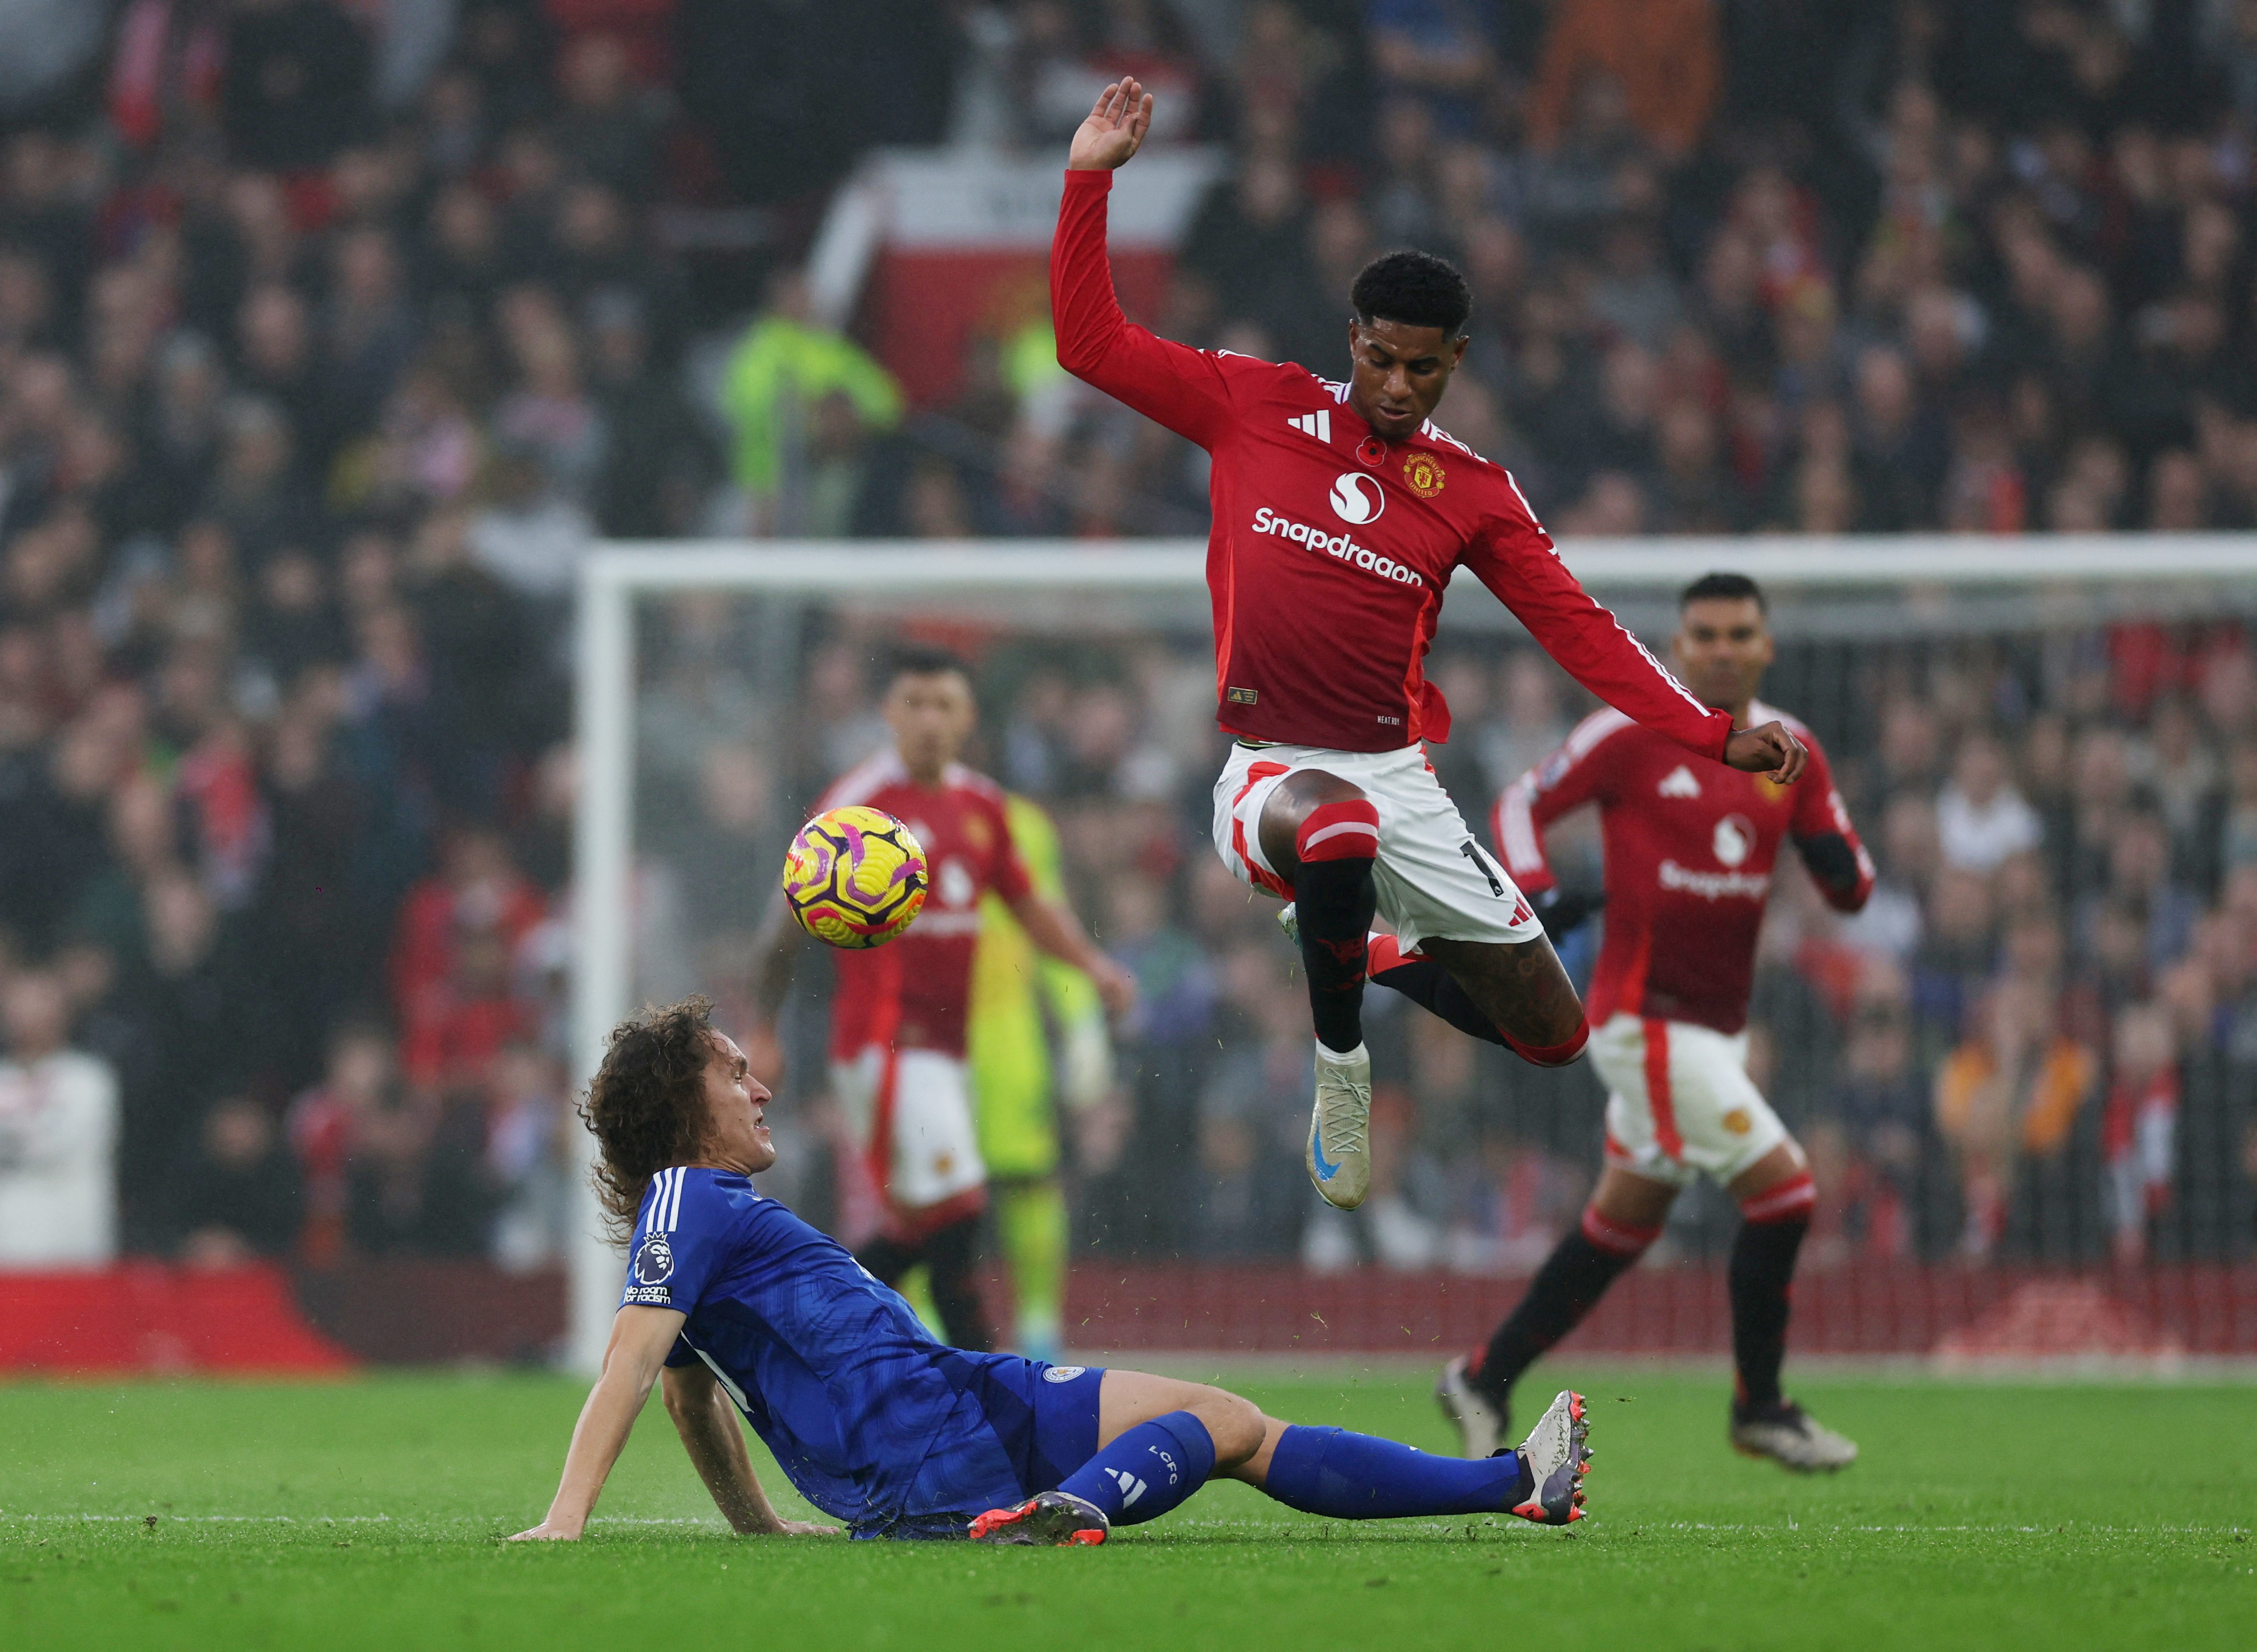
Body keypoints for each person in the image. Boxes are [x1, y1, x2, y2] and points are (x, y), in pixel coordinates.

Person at [1052, 81, 1808, 1213]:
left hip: (1396, 784)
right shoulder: (1253, 405)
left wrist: (1710, 734)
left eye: (1424, 367)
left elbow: (1580, 631)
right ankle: (1339, 1064)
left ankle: (1358, 935)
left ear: (1455, 358)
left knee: (1552, 1037)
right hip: (1269, 775)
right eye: (1379, 360)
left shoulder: (1471, 493)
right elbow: (1088, 342)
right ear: (1350, 338)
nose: (1397, 387)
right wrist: (1087, 177)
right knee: (1335, 822)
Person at [506, 998, 1592, 1546]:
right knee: (1215, 1429)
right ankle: (1063, 1508)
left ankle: (1511, 1484)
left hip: (956, 1393)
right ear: (680, 1105)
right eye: (734, 1073)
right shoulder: (687, 1197)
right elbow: (636, 1365)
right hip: (923, 1441)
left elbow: (695, 1389)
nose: (761, 1088)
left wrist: (758, 1525)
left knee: (1232, 1421)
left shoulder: (706, 1211)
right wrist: (567, 1517)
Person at [1411, 573, 1870, 1471]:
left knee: (1623, 1220)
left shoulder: (1792, 750)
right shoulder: (1631, 729)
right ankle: (1761, 1407)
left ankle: (1483, 1374)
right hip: (1643, 1021)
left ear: (1765, 645)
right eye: (1706, 633)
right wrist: (1536, 890)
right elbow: (1517, 803)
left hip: (1716, 1027)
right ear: (1680, 642)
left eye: (1741, 632)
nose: (1724, 648)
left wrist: (1833, 857)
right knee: (1784, 1195)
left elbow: (1851, 884)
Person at [753, 648, 1134, 1353]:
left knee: (924, 1223)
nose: (928, 720)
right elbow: (783, 923)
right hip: (883, 1045)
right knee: (958, 1209)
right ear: (888, 712)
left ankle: (801, 1322)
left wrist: (1093, 966)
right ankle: (982, 1384)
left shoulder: (982, 806)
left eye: (944, 704)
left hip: (948, 1052)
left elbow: (1027, 904)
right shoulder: (855, 805)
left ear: (968, 717)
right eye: (914, 703)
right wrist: (765, 1027)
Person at [965, 791, 1112, 1360]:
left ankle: (1039, 1328)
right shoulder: (882, 814)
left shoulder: (1019, 824)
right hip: (918, 1036)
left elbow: (1045, 922)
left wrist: (1081, 1022)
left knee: (1027, 1180)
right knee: (923, 1200)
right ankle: (919, 1328)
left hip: (1004, 1037)